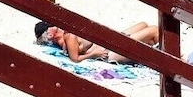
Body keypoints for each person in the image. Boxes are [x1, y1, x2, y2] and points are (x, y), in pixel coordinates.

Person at [34, 21, 162, 63]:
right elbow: (75, 59)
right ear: (50, 33)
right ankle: (171, 58)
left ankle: (159, 52)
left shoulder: (66, 35)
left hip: (109, 42)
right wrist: (94, 54)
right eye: (50, 24)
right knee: (153, 31)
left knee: (143, 24)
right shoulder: (68, 37)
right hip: (109, 52)